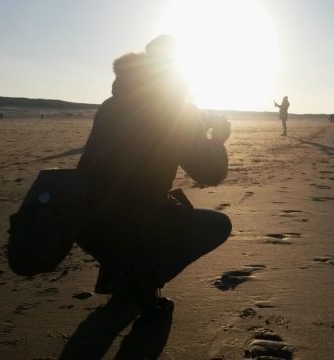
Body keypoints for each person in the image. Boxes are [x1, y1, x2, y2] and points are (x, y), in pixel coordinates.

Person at [76, 35, 232, 317]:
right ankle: (143, 283)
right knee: (217, 225)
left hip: (85, 223)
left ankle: (116, 273)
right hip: (136, 223)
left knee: (121, 203)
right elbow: (210, 173)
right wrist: (218, 140)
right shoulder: (175, 109)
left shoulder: (110, 106)